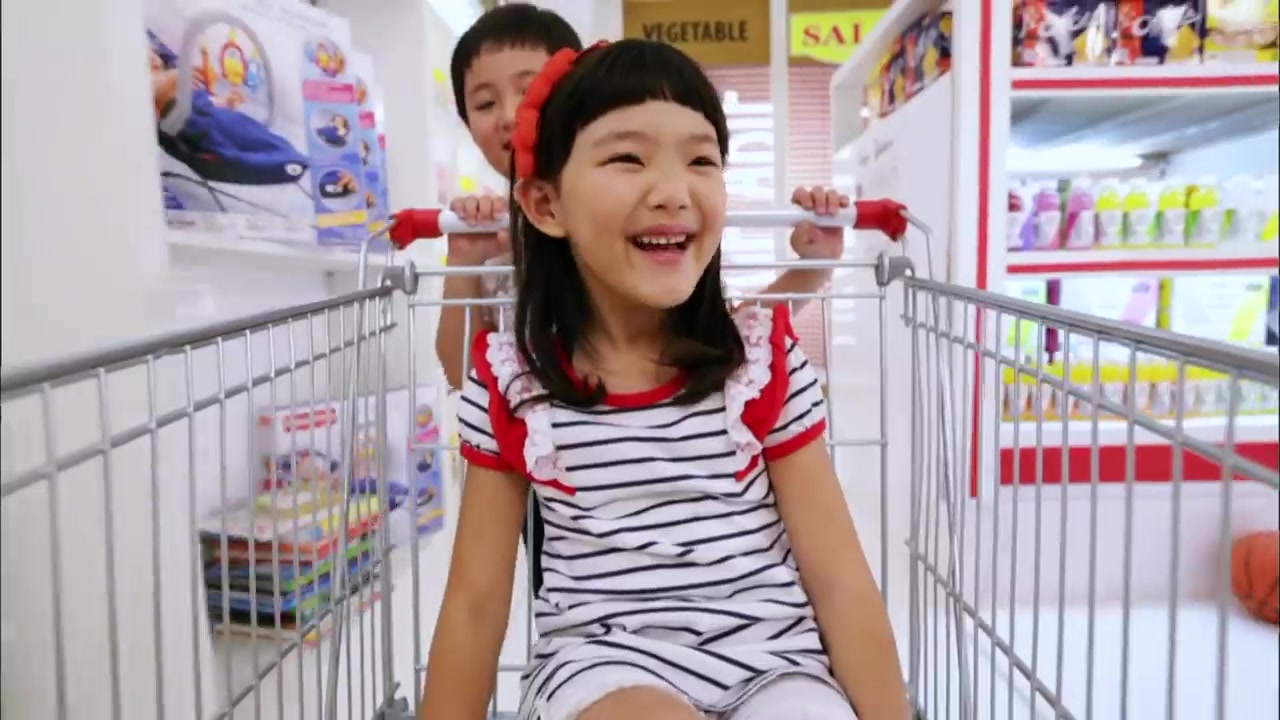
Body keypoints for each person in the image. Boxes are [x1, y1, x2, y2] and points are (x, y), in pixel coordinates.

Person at [419, 39, 910, 720]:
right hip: (602, 667)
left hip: (777, 664)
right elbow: (475, 604)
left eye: (701, 160)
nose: (674, 192)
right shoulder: (515, 383)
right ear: (546, 204)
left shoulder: (759, 363)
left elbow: (839, 579)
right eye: (628, 158)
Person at [437, 2, 847, 599]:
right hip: (550, 472)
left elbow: (724, 338)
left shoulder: (651, 233)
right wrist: (464, 259)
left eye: (529, 91)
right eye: (483, 103)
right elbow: (461, 370)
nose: (508, 116)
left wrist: (810, 269)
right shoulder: (484, 237)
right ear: (543, 206)